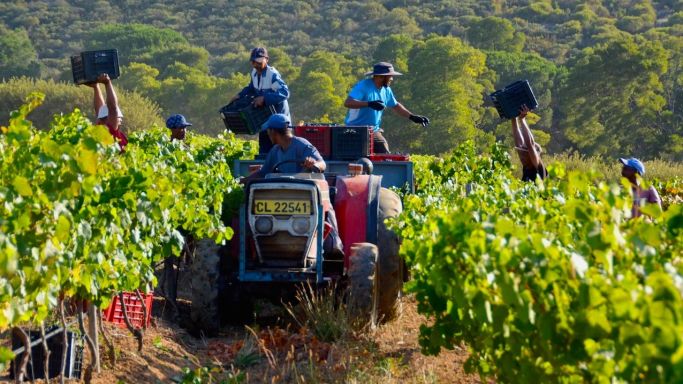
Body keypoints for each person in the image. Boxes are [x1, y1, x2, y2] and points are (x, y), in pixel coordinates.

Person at [243, 113, 343, 256]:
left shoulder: (301, 145)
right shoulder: (275, 151)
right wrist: (243, 180)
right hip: (279, 197)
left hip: (303, 198)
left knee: (324, 206)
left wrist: (313, 163)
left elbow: (322, 164)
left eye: (268, 132)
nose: (268, 135)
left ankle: (332, 244)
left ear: (273, 132)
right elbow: (263, 172)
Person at [344, 62, 430, 154]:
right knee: (358, 155)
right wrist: (369, 104)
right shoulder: (364, 86)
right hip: (355, 129)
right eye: (390, 76)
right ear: (380, 77)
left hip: (373, 130)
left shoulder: (386, 90)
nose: (392, 79)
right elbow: (348, 103)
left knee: (384, 153)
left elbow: (395, 105)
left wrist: (412, 117)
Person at [228, 47, 290, 155]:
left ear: (267, 60)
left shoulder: (272, 75)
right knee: (264, 152)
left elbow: (285, 92)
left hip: (279, 123)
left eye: (259, 61)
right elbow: (251, 88)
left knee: (279, 152)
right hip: (265, 121)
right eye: (253, 61)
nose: (256, 64)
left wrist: (265, 98)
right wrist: (239, 95)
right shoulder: (254, 73)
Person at [87, 73, 127, 150]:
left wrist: (96, 87)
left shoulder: (100, 127)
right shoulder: (110, 132)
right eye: (118, 117)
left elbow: (100, 109)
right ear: (108, 118)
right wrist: (107, 83)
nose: (121, 119)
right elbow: (112, 108)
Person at [511, 104, 547, 182]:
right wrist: (513, 116)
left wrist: (522, 119)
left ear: (534, 154)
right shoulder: (527, 166)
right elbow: (518, 143)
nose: (521, 156)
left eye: (524, 154)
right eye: (521, 153)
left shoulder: (539, 168)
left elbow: (530, 144)